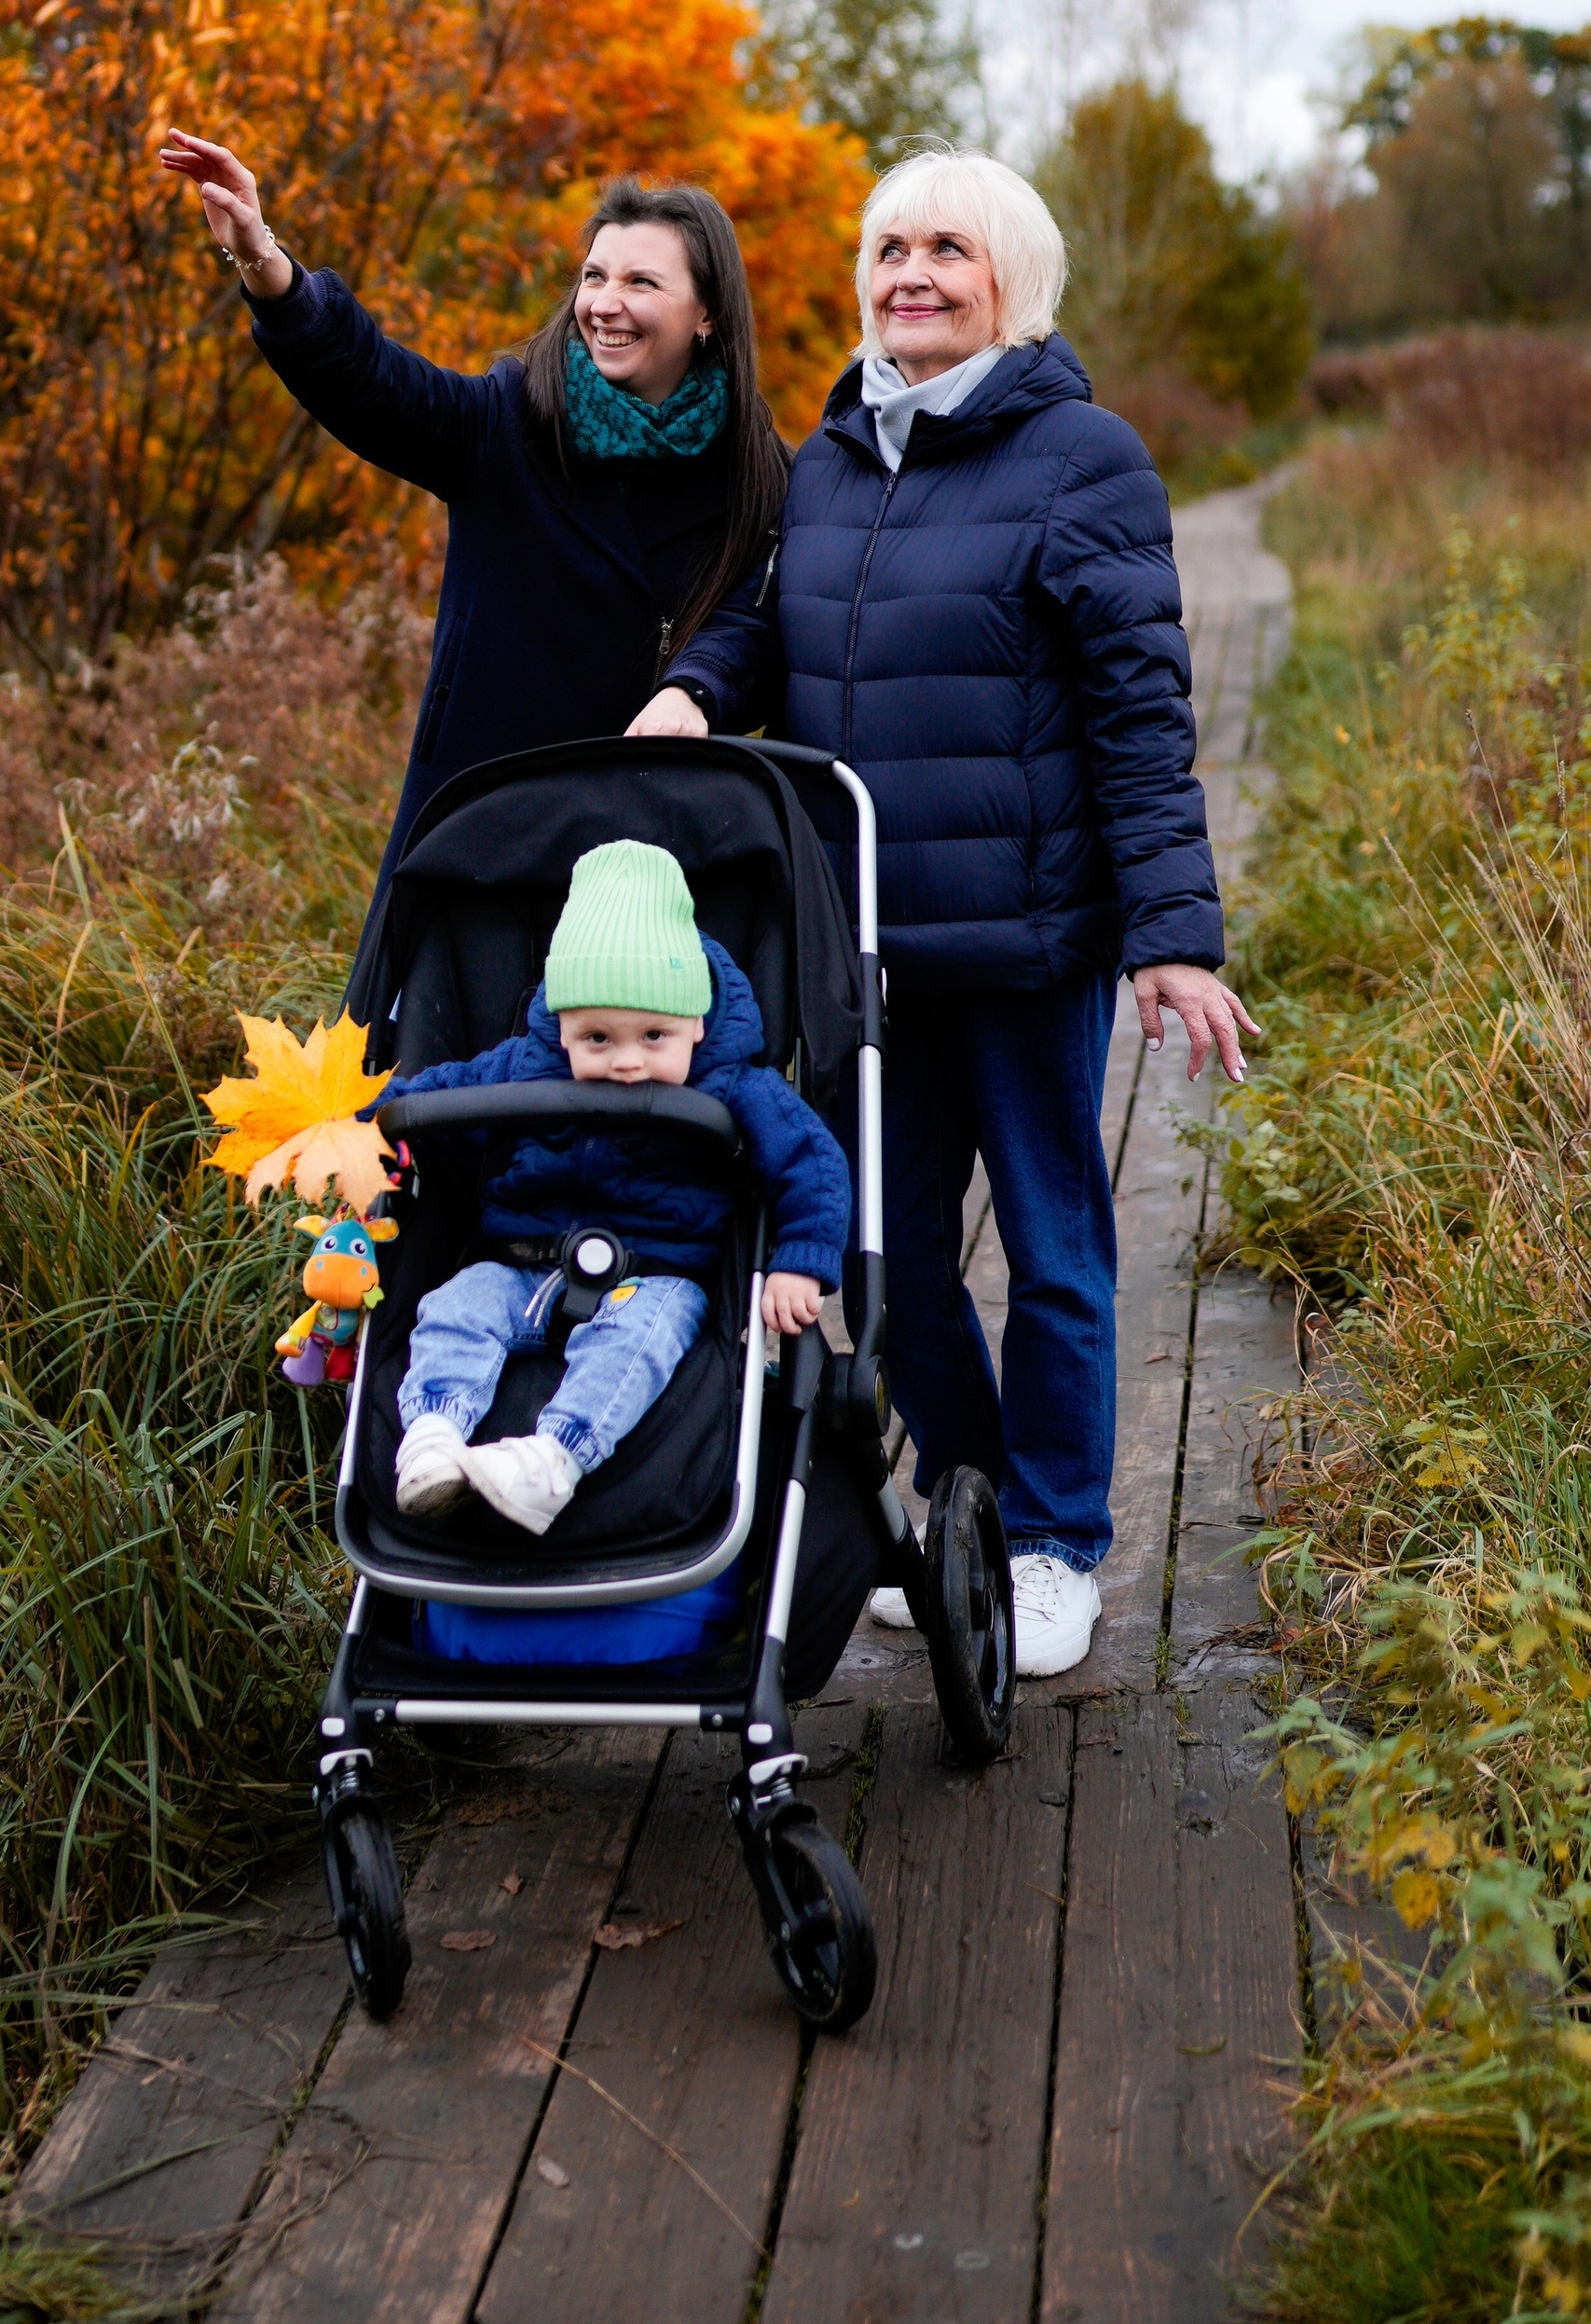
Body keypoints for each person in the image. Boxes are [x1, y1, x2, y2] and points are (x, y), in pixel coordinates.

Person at [647, 149, 1255, 1680]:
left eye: (948, 250)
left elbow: (1137, 717)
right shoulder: (840, 455)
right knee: (884, 1252)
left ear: (1013, 281)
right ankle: (971, 1507)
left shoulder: (1081, 458)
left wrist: (1174, 934)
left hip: (1032, 941)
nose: (910, 272)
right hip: (869, 952)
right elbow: (759, 628)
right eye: (890, 246)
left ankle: (1057, 1547)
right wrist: (688, 696)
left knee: (1053, 1248)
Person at [155, 131, 787, 938]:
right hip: (477, 849)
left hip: (649, 869)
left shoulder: (761, 477)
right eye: (594, 276)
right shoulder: (508, 425)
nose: (605, 302)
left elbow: (758, 630)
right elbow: (372, 380)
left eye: (641, 282)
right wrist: (265, 263)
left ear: (705, 314)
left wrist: (695, 690)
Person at [385, 839, 851, 1533]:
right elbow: (432, 1098)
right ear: (562, 1022)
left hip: (656, 1274)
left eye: (654, 1037)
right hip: (519, 1266)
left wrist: (800, 1262)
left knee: (635, 1344)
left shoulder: (732, 1083)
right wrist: (368, 1127)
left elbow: (811, 1159)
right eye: (597, 1038)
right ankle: (432, 1440)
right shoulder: (526, 1063)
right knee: (452, 1309)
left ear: (695, 1024)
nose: (627, 1062)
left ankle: (553, 1460)